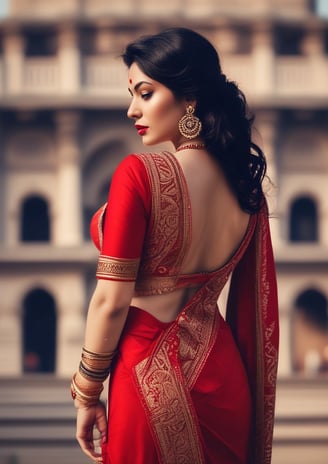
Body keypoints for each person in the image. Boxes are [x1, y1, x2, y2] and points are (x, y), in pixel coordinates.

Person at [71, 27, 279, 464]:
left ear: (190, 98)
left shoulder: (139, 175)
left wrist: (87, 391)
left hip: (145, 378)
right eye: (132, 94)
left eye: (145, 93)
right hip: (223, 378)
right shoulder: (247, 192)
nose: (132, 110)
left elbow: (110, 302)